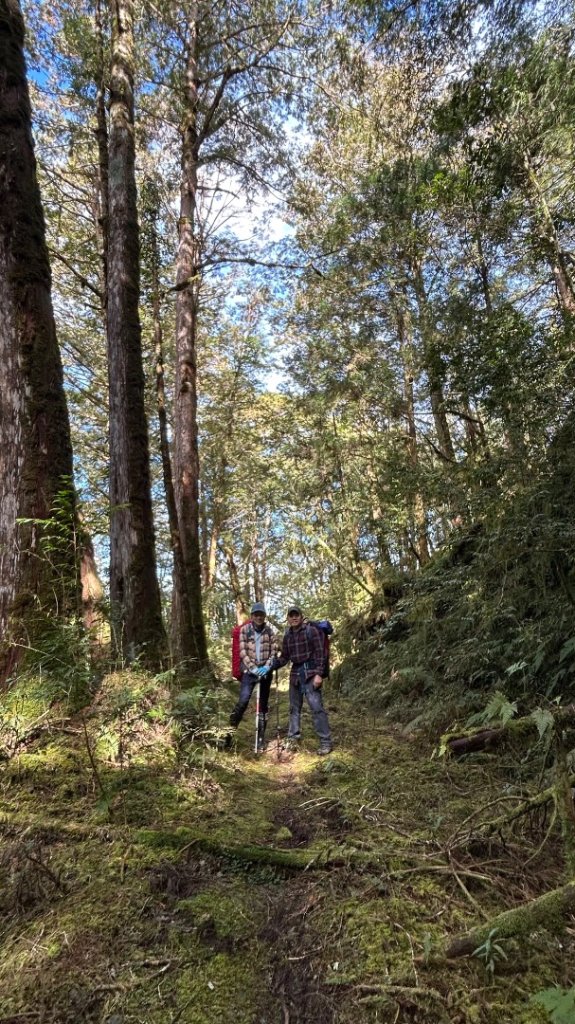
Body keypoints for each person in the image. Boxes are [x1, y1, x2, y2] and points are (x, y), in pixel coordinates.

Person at [276, 606, 333, 755]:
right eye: (291, 616)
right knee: (294, 708)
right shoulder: (288, 635)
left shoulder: (311, 630)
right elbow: (285, 657)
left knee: (316, 708)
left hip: (311, 672)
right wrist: (272, 664)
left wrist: (319, 675)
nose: (294, 618)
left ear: (301, 617)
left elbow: (321, 653)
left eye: (296, 615)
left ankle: (325, 742)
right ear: (287, 619)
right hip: (295, 674)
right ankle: (293, 738)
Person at [229, 602, 277, 752]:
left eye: (261, 615)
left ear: (264, 616)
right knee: (243, 701)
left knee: (263, 704)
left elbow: (274, 652)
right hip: (249, 672)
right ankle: (228, 735)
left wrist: (267, 666)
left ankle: (261, 739)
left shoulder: (270, 632)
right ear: (252, 616)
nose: (259, 617)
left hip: (265, 671)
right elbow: (242, 652)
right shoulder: (244, 630)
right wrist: (253, 668)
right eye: (256, 615)